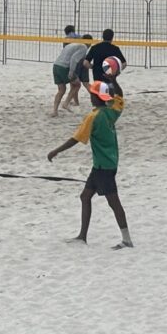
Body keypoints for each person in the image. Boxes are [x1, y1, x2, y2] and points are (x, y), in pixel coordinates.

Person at [47, 77, 133, 249]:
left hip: (103, 166)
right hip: (108, 163)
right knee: (85, 196)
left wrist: (56, 150)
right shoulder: (111, 112)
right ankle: (82, 236)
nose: (90, 96)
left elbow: (76, 139)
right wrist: (114, 80)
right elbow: (120, 96)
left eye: (92, 94)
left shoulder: (93, 117)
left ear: (96, 98)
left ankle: (127, 240)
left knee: (114, 202)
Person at [52, 37, 88, 117]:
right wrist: (71, 72)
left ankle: (55, 111)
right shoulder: (84, 47)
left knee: (61, 90)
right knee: (77, 84)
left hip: (56, 66)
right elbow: (74, 59)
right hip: (64, 67)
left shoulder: (71, 45)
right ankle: (66, 103)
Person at [66, 34, 94, 109]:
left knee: (74, 84)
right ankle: (96, 99)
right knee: (86, 84)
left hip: (77, 63)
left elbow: (74, 58)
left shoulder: (80, 45)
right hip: (84, 62)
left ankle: (76, 102)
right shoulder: (85, 47)